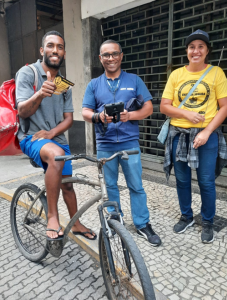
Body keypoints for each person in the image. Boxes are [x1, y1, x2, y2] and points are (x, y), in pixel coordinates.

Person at [16, 31, 96, 241]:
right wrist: (40, 93)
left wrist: (51, 133)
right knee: (56, 154)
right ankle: (53, 216)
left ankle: (76, 224)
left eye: (60, 47)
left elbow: (69, 119)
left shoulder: (64, 84)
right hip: (31, 137)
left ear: (64, 53)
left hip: (56, 139)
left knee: (68, 184)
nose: (55, 50)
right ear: (42, 51)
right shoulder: (28, 73)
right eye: (50, 46)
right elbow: (22, 111)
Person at [82, 40, 161, 247]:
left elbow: (149, 108)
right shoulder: (94, 84)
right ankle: (116, 219)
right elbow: (85, 112)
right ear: (100, 59)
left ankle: (142, 224)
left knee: (136, 185)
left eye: (114, 54)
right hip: (105, 143)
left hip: (130, 142)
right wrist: (99, 117)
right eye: (106, 55)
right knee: (110, 185)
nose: (110, 58)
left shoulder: (134, 80)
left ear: (121, 56)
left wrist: (130, 115)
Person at [160, 29, 227, 243]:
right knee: (182, 180)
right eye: (192, 47)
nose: (196, 51)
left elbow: (225, 107)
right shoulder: (176, 75)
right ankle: (187, 216)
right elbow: (165, 106)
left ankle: (207, 221)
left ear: (207, 50)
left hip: (206, 137)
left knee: (206, 182)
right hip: (179, 135)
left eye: (200, 46)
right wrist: (186, 113)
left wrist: (207, 131)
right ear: (187, 51)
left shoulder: (216, 73)